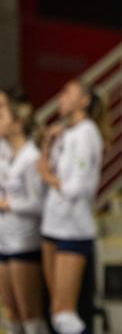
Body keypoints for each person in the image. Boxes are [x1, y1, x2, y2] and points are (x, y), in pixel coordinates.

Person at [37, 80, 105, 334]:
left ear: (84, 100)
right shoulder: (65, 133)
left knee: (65, 315)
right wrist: (47, 143)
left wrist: (48, 176)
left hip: (73, 229)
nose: (60, 97)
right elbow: (45, 173)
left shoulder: (87, 132)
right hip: (52, 226)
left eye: (67, 92)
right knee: (56, 311)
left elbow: (78, 189)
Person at [0, 97, 49, 334]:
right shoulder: (7, 155)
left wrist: (7, 204)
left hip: (24, 240)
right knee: (12, 312)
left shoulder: (31, 156)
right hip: (5, 240)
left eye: (2, 118)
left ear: (18, 124)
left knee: (30, 312)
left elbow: (39, 204)